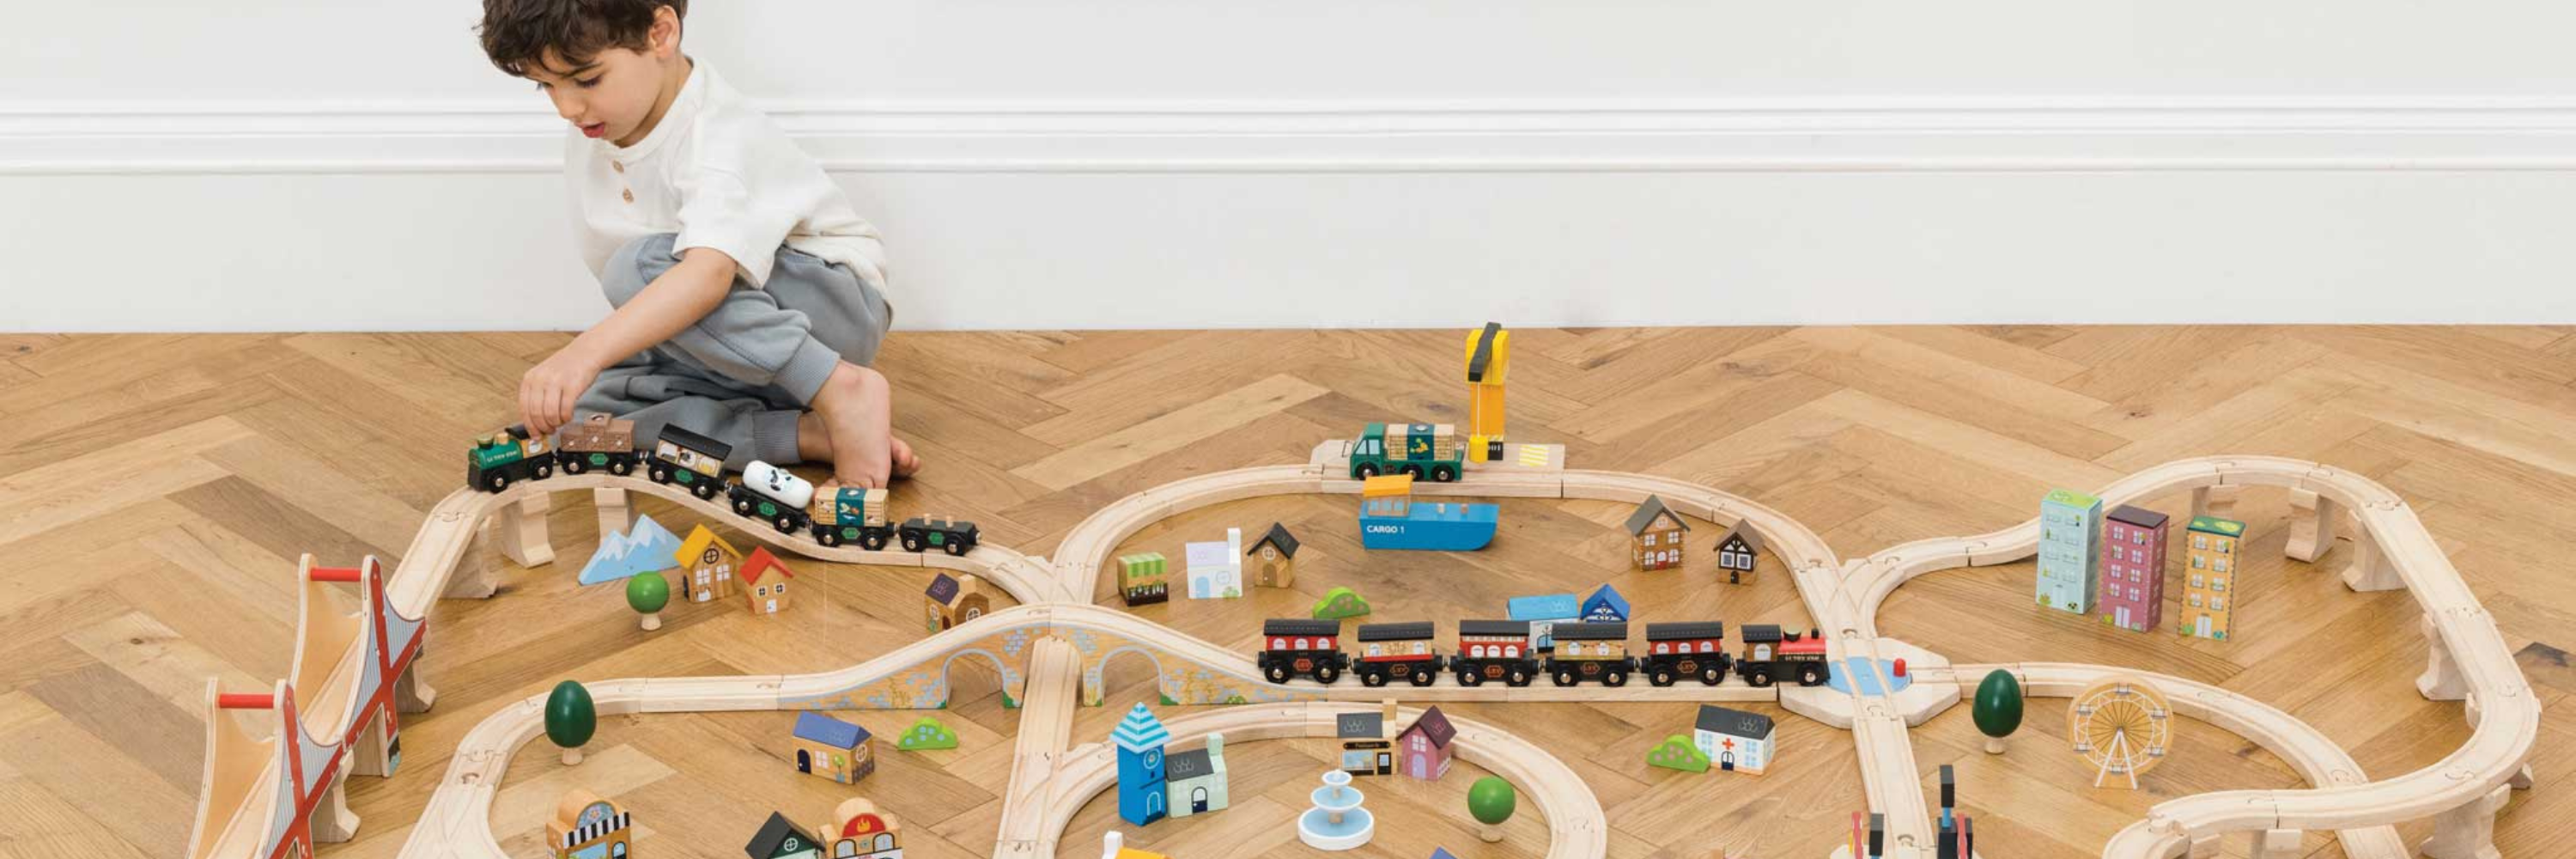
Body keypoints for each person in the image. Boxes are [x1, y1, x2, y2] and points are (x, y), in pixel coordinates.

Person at [477, 0, 917, 486]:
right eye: (547, 84)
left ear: (660, 33)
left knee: (636, 270)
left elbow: (707, 275)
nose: (567, 108)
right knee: (584, 424)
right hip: (730, 339)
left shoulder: (716, 135)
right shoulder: (600, 125)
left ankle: (841, 388)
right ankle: (802, 434)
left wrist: (584, 352)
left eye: (585, 80)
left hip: (831, 307)